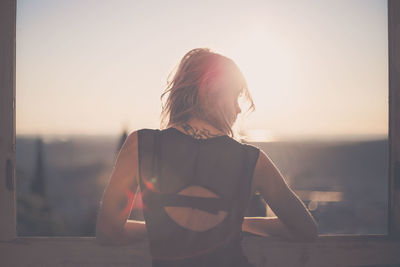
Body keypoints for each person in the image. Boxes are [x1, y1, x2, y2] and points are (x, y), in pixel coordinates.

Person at [96, 48, 318, 266]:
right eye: (235, 97)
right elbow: (305, 229)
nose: (238, 109)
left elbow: (109, 234)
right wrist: (238, 224)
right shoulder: (251, 160)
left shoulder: (140, 146)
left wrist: (163, 228)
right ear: (212, 93)